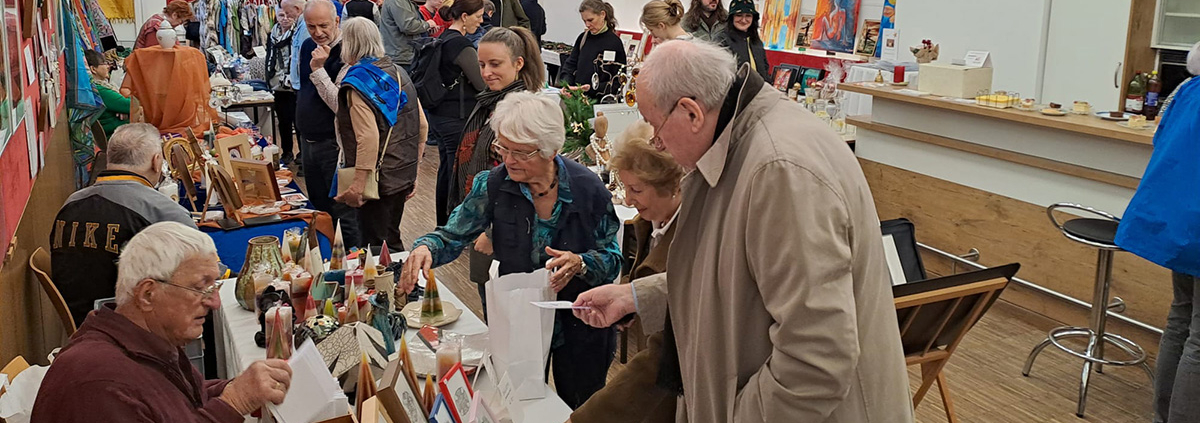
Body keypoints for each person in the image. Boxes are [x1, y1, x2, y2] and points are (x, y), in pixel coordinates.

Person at [574, 40, 914, 422]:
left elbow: (816, 356)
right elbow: (736, 279)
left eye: (656, 127)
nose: (658, 143)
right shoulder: (739, 143)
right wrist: (638, 295)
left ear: (691, 113)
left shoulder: (778, 169)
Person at [403, 91, 621, 409]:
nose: (508, 160)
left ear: (551, 150)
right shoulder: (493, 184)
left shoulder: (589, 190)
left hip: (581, 325)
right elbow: (452, 236)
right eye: (503, 148)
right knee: (519, 404)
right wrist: (425, 248)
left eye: (520, 152)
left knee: (580, 407)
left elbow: (613, 259)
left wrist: (581, 262)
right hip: (520, 320)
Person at [31, 222, 293, 422]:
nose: (214, 303)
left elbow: (180, 401)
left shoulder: (144, 342)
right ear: (147, 294)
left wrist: (236, 387)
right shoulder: (101, 386)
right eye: (201, 288)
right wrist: (237, 400)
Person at [570, 120, 684, 423]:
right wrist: (632, 306)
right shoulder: (653, 223)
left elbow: (660, 360)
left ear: (674, 187)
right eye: (624, 187)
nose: (628, 200)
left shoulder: (687, 243)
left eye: (636, 189)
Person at [1115, 41, 1200, 423]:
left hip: (1178, 220)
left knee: (1181, 317)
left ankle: (1161, 416)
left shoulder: (1186, 90)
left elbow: (1158, 137)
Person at [50, 123, 198, 327]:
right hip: (135, 330)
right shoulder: (162, 211)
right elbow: (206, 277)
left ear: (110, 159)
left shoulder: (69, 204)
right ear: (156, 162)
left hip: (81, 325)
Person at [447, 26, 544, 310]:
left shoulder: (523, 109)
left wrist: (490, 231)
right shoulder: (490, 101)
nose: (486, 72)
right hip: (487, 216)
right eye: (481, 64)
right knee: (492, 303)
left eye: (495, 64)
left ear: (518, 64)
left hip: (510, 230)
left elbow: (529, 180)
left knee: (509, 314)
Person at [331, 17, 428, 248]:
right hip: (401, 170)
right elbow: (422, 124)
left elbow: (368, 138)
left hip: (377, 179)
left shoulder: (357, 83)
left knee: (377, 248)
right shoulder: (398, 72)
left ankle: (397, 283)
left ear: (348, 44)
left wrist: (357, 184)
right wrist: (413, 169)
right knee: (390, 237)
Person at [298, 0, 362, 247]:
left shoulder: (348, 52)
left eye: (323, 25)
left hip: (335, 145)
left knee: (343, 213)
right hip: (308, 141)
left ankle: (354, 267)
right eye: (311, 26)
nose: (317, 32)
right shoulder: (307, 46)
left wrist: (318, 68)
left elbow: (341, 106)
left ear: (336, 21)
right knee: (319, 208)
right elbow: (304, 90)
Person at [428, 0, 488, 226]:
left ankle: (444, 221)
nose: (481, 21)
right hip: (456, 117)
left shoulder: (443, 38)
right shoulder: (462, 46)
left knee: (446, 169)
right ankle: (455, 225)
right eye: (478, 16)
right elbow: (482, 84)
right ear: (464, 16)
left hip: (439, 114)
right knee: (458, 173)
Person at [558, 0, 626, 100]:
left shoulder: (614, 43)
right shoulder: (583, 38)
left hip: (600, 102)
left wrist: (593, 89)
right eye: (584, 21)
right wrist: (566, 84)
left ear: (602, 15)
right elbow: (570, 65)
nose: (587, 25)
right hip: (578, 100)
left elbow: (618, 80)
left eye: (590, 20)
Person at [267, 0, 304, 165]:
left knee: (299, 120)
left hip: (293, 83)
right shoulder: (273, 34)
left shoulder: (298, 33)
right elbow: (270, 56)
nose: (285, 19)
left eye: (288, 15)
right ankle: (287, 151)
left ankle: (302, 155)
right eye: (281, 15)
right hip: (278, 83)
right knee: (283, 120)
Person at [717, 0, 769, 80]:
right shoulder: (722, 39)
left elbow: (765, 67)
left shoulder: (755, 39)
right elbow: (719, 72)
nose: (744, 20)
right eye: (739, 15)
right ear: (731, 17)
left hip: (760, 90)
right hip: (734, 91)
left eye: (748, 15)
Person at [84, 50, 129, 138]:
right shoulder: (99, 90)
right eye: (104, 63)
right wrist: (126, 110)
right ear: (93, 69)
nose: (108, 66)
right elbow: (131, 105)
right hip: (116, 137)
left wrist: (123, 109)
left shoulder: (95, 86)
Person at [379, 0, 434, 71]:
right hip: (400, 55)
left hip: (401, 54)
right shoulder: (399, 2)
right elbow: (408, 26)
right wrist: (427, 24)